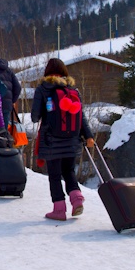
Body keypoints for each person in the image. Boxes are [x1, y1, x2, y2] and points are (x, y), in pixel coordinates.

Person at [31, 58, 95, 221]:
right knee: (69, 171)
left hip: (51, 140)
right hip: (72, 140)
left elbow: (34, 117)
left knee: (54, 175)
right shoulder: (72, 89)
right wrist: (89, 135)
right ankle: (77, 199)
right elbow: (82, 117)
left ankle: (59, 210)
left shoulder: (43, 89)